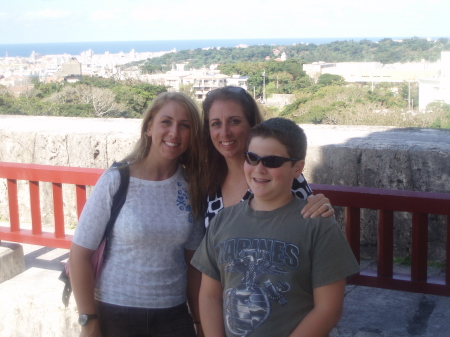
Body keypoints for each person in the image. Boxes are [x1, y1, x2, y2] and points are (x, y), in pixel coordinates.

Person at [191, 117, 360, 337]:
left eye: (272, 161)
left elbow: (328, 309)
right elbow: (209, 296)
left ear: (297, 168)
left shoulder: (318, 225)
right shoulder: (222, 221)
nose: (259, 169)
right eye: (252, 158)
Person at [69, 92, 205, 337]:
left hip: (173, 315)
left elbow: (192, 264)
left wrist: (199, 323)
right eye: (166, 122)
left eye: (184, 125)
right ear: (149, 127)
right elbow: (79, 255)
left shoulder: (192, 186)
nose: (174, 132)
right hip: (116, 311)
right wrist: (89, 323)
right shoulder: (117, 179)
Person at [201, 86, 333, 228]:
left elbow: (310, 221)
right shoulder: (209, 177)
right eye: (216, 124)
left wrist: (320, 205)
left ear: (252, 125)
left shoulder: (278, 173)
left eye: (234, 121)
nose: (224, 132)